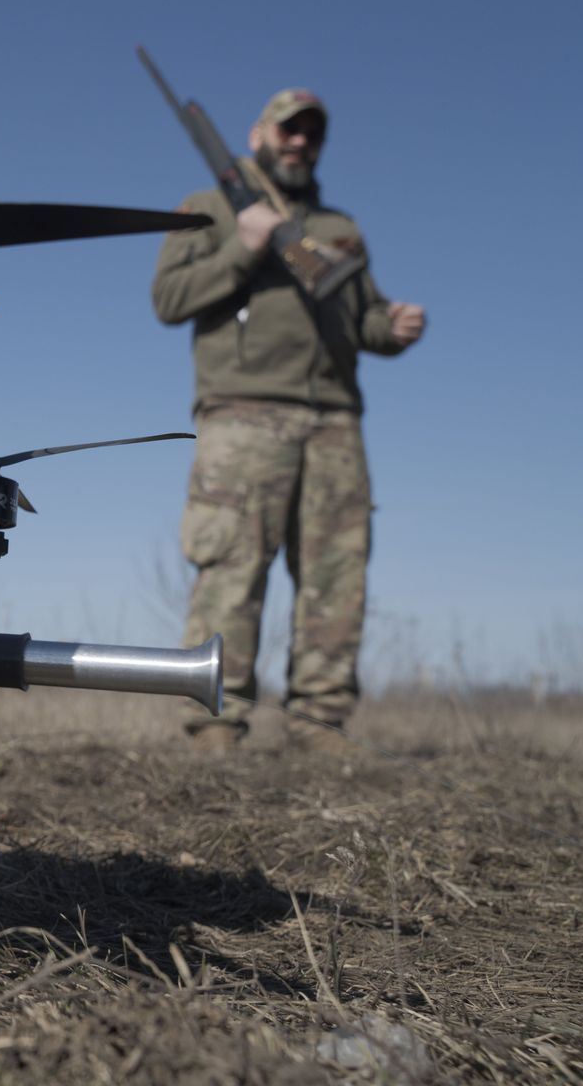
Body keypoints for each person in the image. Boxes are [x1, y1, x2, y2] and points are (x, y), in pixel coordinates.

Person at [151, 89, 426, 751]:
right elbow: (169, 299)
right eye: (288, 130)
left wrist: (392, 327)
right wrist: (243, 251)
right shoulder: (207, 209)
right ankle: (213, 725)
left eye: (311, 134)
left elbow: (361, 318)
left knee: (337, 573)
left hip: (335, 420)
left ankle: (320, 722)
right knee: (232, 567)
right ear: (258, 134)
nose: (299, 142)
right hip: (242, 413)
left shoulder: (340, 229)